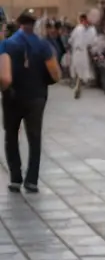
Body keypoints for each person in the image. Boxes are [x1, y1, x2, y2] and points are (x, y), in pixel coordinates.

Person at [0, 10, 60, 193]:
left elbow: (5, 76)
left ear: (19, 24)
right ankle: (32, 180)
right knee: (34, 138)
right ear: (33, 26)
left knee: (11, 136)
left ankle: (15, 179)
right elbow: (55, 74)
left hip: (13, 97)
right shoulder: (43, 45)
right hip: (36, 97)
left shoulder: (7, 45)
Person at [68, 14, 99, 99]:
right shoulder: (79, 28)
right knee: (78, 70)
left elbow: (92, 42)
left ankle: (78, 86)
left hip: (82, 52)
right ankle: (77, 85)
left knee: (81, 71)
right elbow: (71, 40)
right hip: (78, 51)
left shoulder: (91, 30)